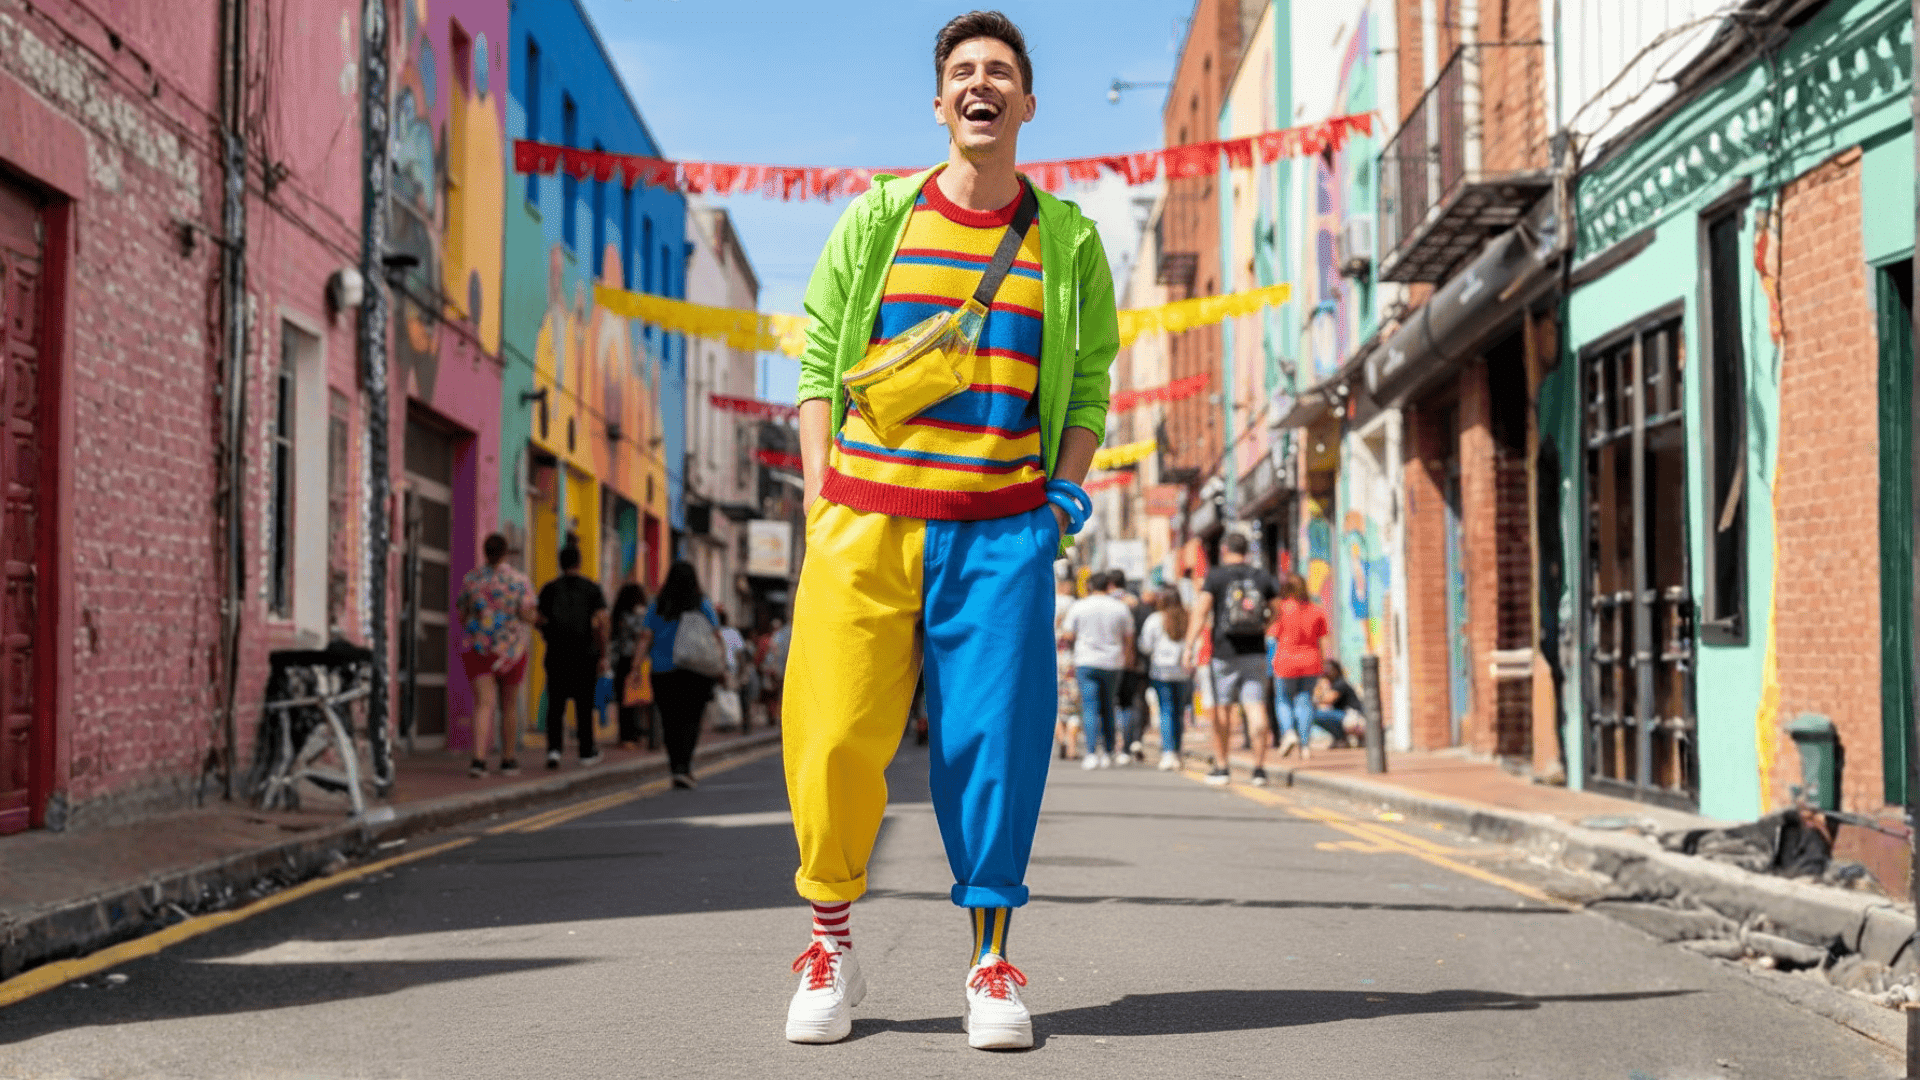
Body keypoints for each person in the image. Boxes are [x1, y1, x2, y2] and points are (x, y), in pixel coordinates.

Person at [778, 11, 1118, 1051]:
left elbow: (1088, 388)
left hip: (1002, 532)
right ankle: (829, 944)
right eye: (963, 71)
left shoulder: (1069, 241)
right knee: (833, 735)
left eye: (1000, 72)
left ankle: (991, 961)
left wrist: (1061, 500)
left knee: (993, 748)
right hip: (865, 522)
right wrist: (820, 498)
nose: (981, 84)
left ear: (1026, 104)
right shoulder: (880, 218)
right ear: (939, 104)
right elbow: (819, 361)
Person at [1182, 532, 1280, 787]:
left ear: (1224, 549)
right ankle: (1259, 770)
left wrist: (1189, 646)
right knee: (1256, 708)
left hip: (1223, 654)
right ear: (1247, 550)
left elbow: (1201, 611)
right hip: (1255, 651)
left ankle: (1222, 767)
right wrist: (1263, 628)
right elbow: (1276, 611)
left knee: (1221, 710)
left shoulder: (1216, 576)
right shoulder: (1261, 576)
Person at [455, 533, 537, 778]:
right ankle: (508, 760)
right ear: (505, 552)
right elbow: (527, 615)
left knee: (483, 704)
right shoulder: (519, 580)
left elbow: (462, 615)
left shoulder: (471, 579)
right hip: (511, 651)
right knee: (509, 705)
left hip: (479, 648)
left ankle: (478, 761)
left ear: (485, 552)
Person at [633, 560, 721, 787]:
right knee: (692, 719)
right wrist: (721, 663)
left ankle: (676, 767)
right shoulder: (701, 603)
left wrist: (636, 667)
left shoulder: (658, 603)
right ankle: (685, 766)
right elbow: (716, 635)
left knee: (670, 721)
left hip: (663, 670)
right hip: (697, 670)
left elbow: (645, 637)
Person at [535, 544, 608, 770]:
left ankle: (554, 750)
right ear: (579, 562)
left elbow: (539, 619)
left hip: (556, 654)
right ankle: (586, 751)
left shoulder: (549, 589)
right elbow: (601, 623)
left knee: (555, 705)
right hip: (585, 655)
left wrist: (548, 633)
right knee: (584, 705)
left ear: (560, 563)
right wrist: (603, 654)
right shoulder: (592, 589)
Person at [1062, 571, 1136, 770]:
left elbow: (1068, 634)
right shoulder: (1120, 607)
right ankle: (1109, 751)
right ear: (1108, 586)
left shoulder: (1079, 606)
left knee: (1089, 707)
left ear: (1089, 587)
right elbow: (1129, 636)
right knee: (1108, 706)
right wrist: (1128, 658)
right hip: (1113, 662)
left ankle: (1091, 752)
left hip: (1086, 661)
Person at [1272, 574, 1332, 760]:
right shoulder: (1316, 609)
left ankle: (1289, 732)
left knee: (1283, 700)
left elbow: (1273, 635)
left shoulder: (1281, 609)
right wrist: (1326, 664)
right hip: (1311, 662)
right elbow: (1324, 639)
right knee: (1304, 702)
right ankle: (1305, 746)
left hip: (1286, 662)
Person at [1137, 589, 1192, 771]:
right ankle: (1177, 751)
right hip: (1183, 672)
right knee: (1179, 712)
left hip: (1161, 671)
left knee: (1166, 710)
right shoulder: (1187, 618)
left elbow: (1145, 646)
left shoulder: (1155, 619)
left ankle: (1168, 752)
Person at [610, 583, 650, 749]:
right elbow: (643, 633)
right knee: (638, 697)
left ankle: (625, 735)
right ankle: (637, 733)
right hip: (639, 659)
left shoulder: (618, 614)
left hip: (622, 659)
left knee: (623, 698)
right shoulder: (640, 614)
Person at [1309, 658, 1366, 748]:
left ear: (1336, 670)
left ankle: (1341, 738)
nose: (1327, 673)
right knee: (1318, 714)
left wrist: (1320, 689)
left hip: (1354, 717)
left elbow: (1328, 700)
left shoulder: (1340, 683)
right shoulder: (1334, 684)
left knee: (1317, 715)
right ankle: (1342, 738)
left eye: (1329, 670)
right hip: (1347, 716)